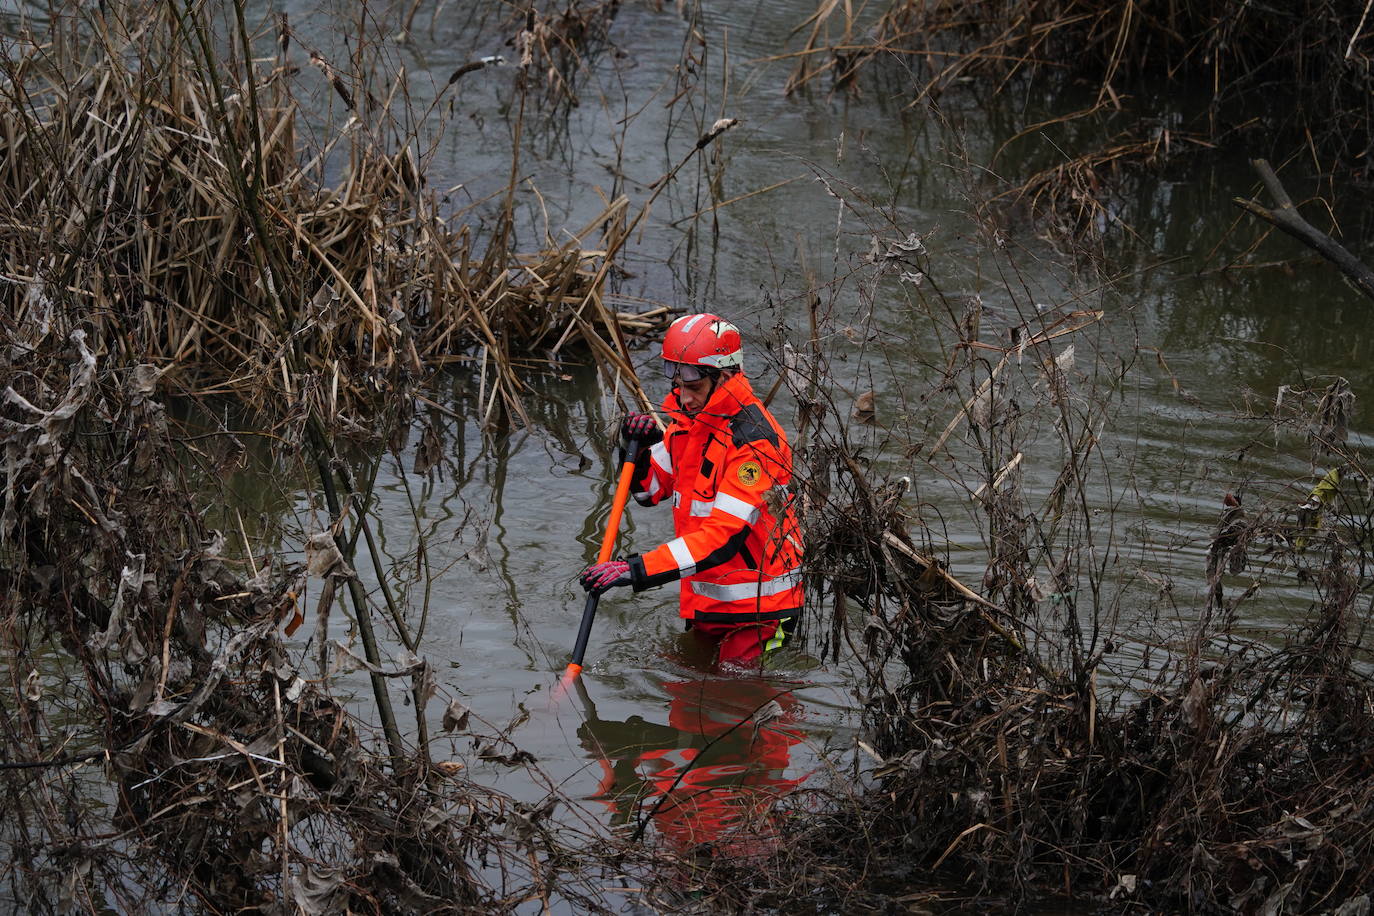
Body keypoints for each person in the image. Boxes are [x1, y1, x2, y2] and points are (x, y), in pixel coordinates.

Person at [578, 313, 803, 668]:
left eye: (693, 387)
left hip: (762, 607)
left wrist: (636, 569)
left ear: (725, 376)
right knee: (686, 700)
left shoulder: (756, 443)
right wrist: (637, 449)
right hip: (707, 599)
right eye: (678, 385)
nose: (683, 399)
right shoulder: (688, 425)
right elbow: (648, 491)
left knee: (741, 704)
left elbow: (721, 538)